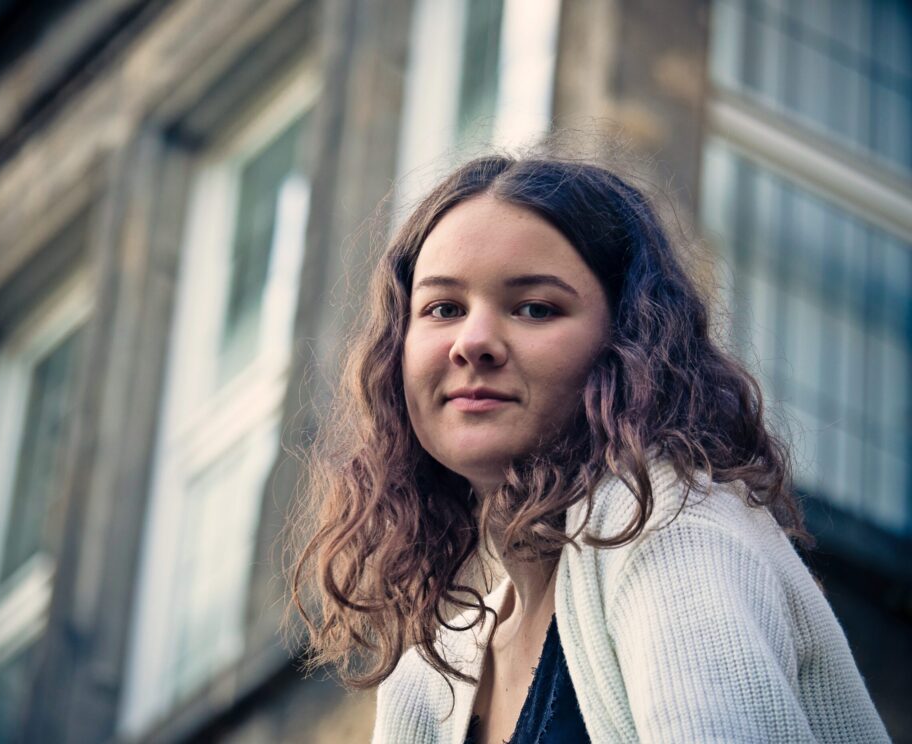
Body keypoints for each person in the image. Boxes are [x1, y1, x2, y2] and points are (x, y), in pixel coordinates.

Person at [290, 154, 890, 743]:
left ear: (627, 343)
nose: (473, 343)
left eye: (535, 308)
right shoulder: (437, 653)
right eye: (444, 308)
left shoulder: (674, 524)